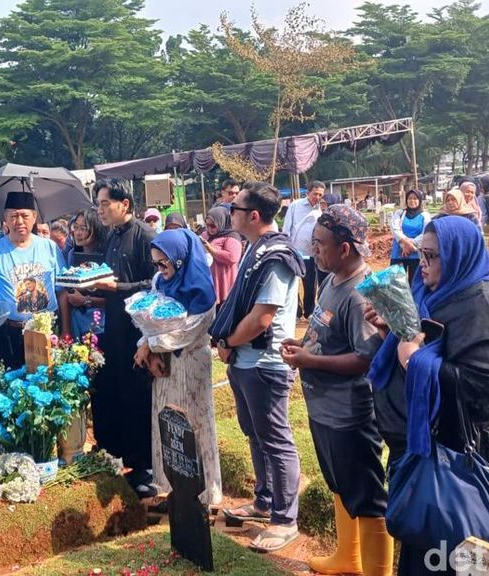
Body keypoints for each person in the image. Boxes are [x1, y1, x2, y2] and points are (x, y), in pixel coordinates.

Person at [367, 216, 489, 575]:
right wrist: (391, 332)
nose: (421, 264)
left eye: (430, 256)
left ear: (458, 256)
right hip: (427, 448)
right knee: (421, 544)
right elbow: (428, 341)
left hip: (461, 457)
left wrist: (416, 362)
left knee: (451, 553)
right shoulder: (436, 292)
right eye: (421, 254)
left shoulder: (482, 308)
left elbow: (487, 389)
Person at [280, 206, 392, 576]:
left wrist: (310, 362)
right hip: (324, 409)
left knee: (367, 498)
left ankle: (376, 570)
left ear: (345, 249)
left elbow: (364, 361)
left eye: (320, 244)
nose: (314, 250)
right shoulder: (332, 281)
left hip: (350, 414)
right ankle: (349, 558)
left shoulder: (361, 296)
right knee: (341, 484)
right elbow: (323, 333)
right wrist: (303, 345)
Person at [211, 182, 305, 553]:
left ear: (253, 215)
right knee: (255, 434)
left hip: (265, 364)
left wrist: (228, 342)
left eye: (234, 207)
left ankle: (285, 519)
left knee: (276, 440)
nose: (228, 211)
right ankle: (265, 500)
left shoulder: (276, 256)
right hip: (245, 361)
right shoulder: (256, 250)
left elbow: (262, 318)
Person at [133, 228, 221, 504]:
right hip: (164, 366)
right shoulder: (160, 280)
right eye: (156, 263)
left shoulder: (201, 288)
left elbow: (189, 330)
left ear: (181, 259)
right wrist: (147, 348)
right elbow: (151, 314)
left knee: (194, 421)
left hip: (191, 362)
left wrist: (150, 345)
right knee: (165, 421)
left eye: (164, 263)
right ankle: (170, 485)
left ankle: (204, 491)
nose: (160, 269)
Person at [90, 178, 156, 495]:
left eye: (105, 204)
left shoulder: (144, 236)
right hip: (112, 324)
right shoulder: (111, 237)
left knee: (137, 395)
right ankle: (118, 455)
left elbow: (154, 283)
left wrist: (118, 288)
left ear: (124, 204)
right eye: (98, 204)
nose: (100, 210)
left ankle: (145, 467)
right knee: (111, 388)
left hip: (138, 329)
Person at [0, 191, 69, 369]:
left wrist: (66, 328)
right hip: (9, 332)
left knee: (49, 383)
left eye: (24, 215)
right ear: (5, 218)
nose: (19, 221)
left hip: (48, 329)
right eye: (13, 216)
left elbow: (62, 290)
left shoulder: (49, 247)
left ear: (34, 217)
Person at [283, 180, 326, 318]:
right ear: (308, 192)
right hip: (295, 252)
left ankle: (309, 311)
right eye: (315, 194)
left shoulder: (321, 209)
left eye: (320, 195)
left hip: (311, 253)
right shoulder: (296, 205)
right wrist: (286, 246)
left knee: (310, 284)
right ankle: (296, 312)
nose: (317, 197)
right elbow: (287, 227)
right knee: (293, 282)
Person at [65, 209, 108, 337]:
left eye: (83, 228)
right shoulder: (72, 254)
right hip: (78, 321)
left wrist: (85, 300)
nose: (78, 233)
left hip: (102, 321)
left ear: (96, 229)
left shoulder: (108, 255)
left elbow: (114, 298)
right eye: (76, 227)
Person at [200, 206, 242, 308]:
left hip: (225, 283)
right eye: (207, 225)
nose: (210, 229)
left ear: (221, 222)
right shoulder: (205, 235)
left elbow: (232, 257)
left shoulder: (231, 237)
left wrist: (211, 250)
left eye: (213, 226)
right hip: (208, 282)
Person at [389, 190, 431, 284]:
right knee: (397, 284)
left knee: (415, 283)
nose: (412, 201)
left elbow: (425, 233)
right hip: (399, 252)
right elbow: (395, 229)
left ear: (420, 200)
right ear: (406, 200)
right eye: (410, 198)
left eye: (415, 198)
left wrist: (410, 245)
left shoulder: (425, 216)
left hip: (415, 253)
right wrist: (404, 243)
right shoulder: (400, 213)